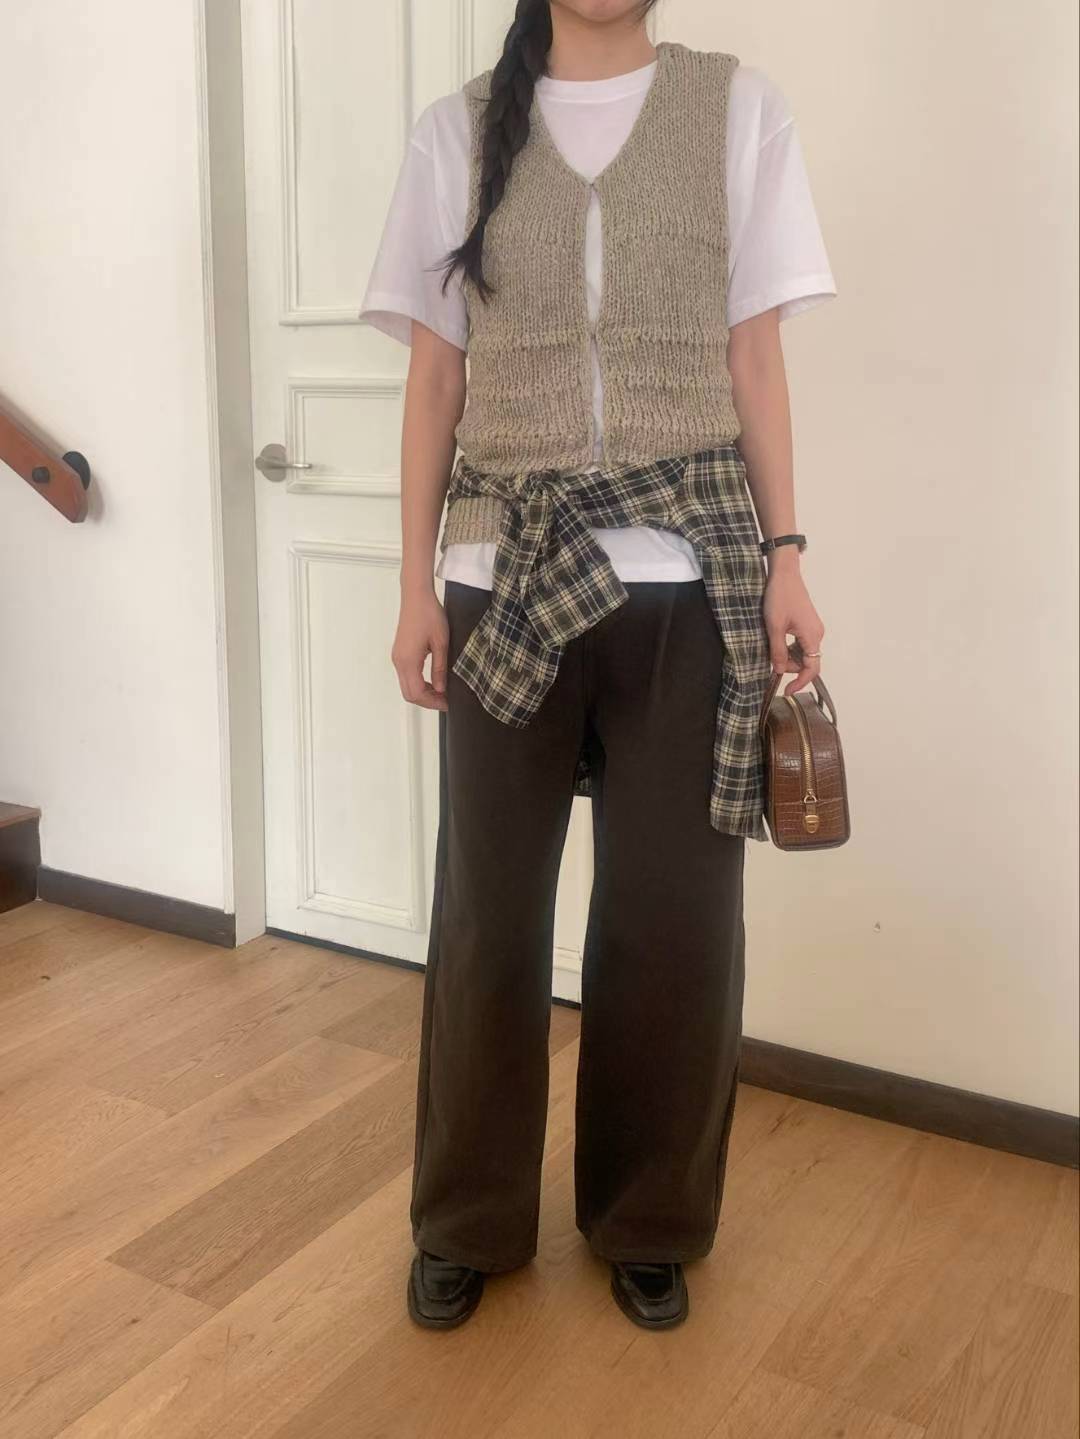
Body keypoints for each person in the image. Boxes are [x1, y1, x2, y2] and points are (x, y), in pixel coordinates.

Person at [359, 0, 834, 1331]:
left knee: (675, 919)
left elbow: (756, 359)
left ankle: (650, 1219)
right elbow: (436, 381)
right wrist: (415, 585)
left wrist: (788, 556)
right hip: (503, 571)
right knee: (487, 913)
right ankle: (465, 1219)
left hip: (690, 578)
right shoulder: (456, 132)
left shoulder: (737, 111)